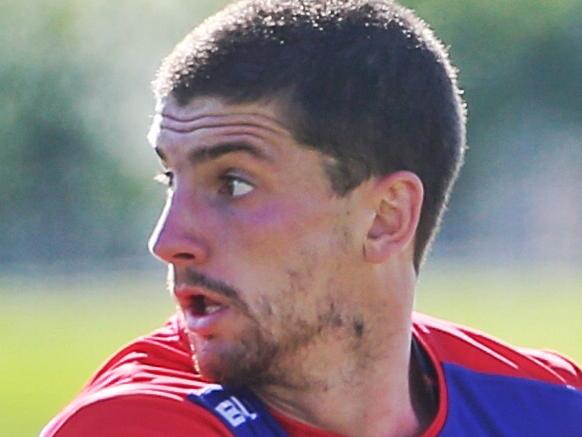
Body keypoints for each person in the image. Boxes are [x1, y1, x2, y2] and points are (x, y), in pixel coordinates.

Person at [42, 1, 582, 436]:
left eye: (233, 183)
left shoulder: (553, 406)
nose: (168, 240)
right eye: (170, 179)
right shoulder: (134, 422)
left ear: (384, 218)